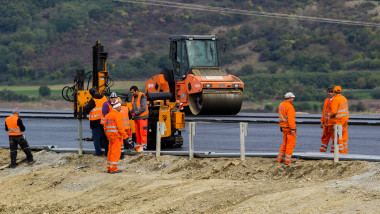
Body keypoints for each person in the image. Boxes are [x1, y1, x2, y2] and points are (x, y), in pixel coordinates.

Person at [104, 101, 128, 174]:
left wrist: (108, 136)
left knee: (110, 152)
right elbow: (120, 128)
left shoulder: (107, 115)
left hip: (110, 137)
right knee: (116, 153)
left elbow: (105, 128)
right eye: (120, 107)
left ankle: (109, 167)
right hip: (116, 137)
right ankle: (113, 168)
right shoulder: (117, 115)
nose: (120, 108)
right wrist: (126, 136)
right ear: (116, 107)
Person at [84, 88, 107, 156]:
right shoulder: (104, 98)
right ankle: (107, 151)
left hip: (95, 121)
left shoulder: (93, 100)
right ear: (97, 91)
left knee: (96, 137)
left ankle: (98, 152)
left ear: (91, 94)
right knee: (105, 136)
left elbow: (86, 109)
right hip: (104, 120)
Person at [277, 92, 297, 165]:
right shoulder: (289, 107)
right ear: (290, 98)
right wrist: (293, 129)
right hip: (289, 128)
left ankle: (279, 159)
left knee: (284, 143)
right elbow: (291, 119)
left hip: (283, 127)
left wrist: (281, 126)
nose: (293, 99)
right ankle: (288, 161)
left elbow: (281, 117)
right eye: (292, 98)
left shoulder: (281, 105)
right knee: (290, 144)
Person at [330, 86, 349, 154]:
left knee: (338, 137)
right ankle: (345, 151)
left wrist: (330, 116)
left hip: (339, 121)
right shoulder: (344, 98)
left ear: (334, 92)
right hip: (345, 120)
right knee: (344, 136)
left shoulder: (335, 99)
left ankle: (341, 152)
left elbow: (334, 112)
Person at [130, 86, 149, 152]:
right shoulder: (134, 97)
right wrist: (131, 112)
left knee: (142, 132)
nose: (132, 94)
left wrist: (135, 113)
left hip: (143, 117)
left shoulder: (142, 96)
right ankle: (138, 145)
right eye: (131, 92)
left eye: (133, 92)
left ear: (136, 91)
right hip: (137, 118)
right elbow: (134, 107)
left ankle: (143, 146)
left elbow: (143, 108)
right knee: (137, 133)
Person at [319, 87, 335, 153]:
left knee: (334, 139)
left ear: (334, 93)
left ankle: (333, 153)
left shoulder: (335, 100)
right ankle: (322, 152)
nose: (330, 93)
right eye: (329, 92)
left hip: (332, 124)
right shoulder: (326, 100)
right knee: (324, 138)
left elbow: (336, 113)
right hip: (326, 124)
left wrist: (335, 123)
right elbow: (324, 112)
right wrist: (322, 122)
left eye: (331, 92)